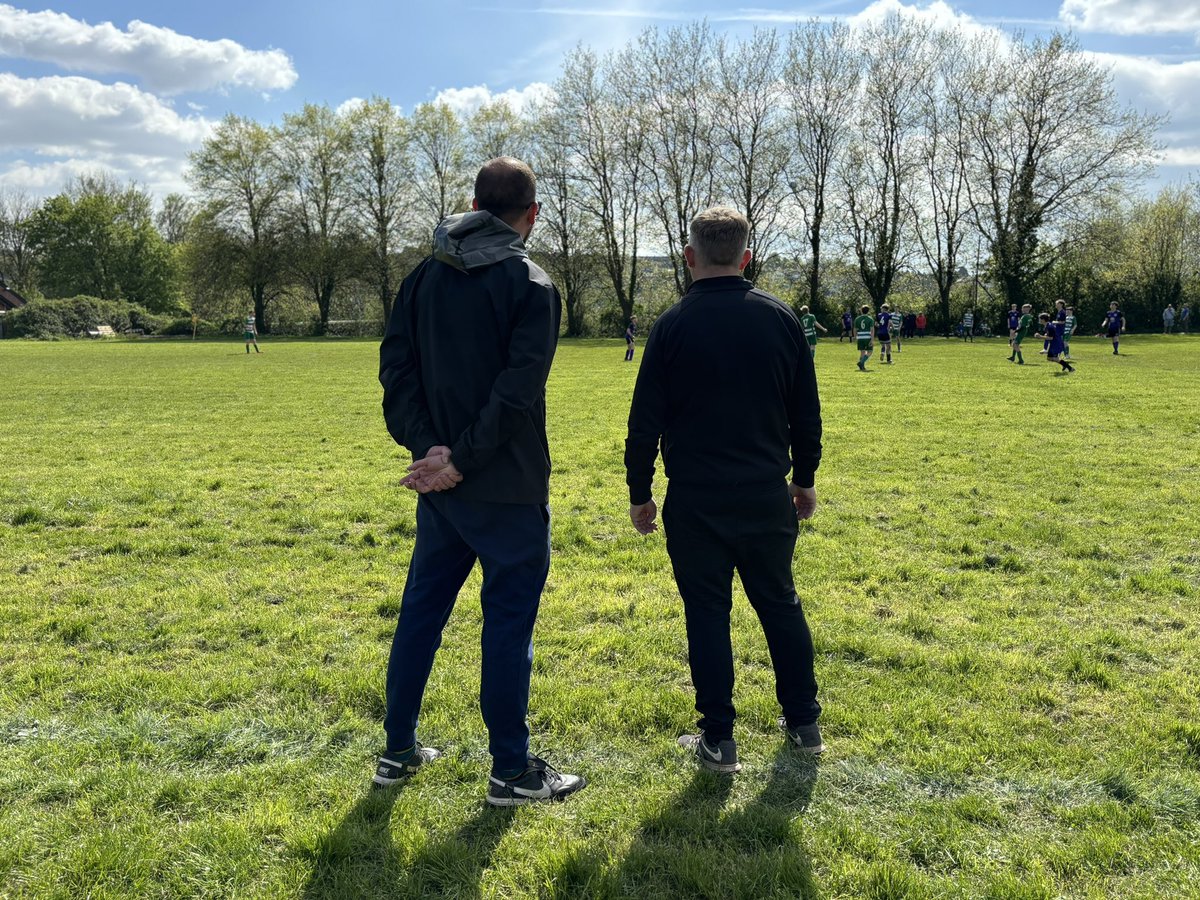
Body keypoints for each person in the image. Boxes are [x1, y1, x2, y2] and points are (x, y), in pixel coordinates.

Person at [376, 157, 585, 805]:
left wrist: (431, 451)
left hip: (443, 491)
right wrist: (457, 458)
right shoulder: (531, 283)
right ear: (533, 214)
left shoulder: (419, 280)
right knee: (506, 628)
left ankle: (398, 752)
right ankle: (511, 771)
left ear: (473, 203)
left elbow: (395, 375)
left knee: (420, 616)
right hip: (507, 489)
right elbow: (517, 393)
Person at [624, 206, 824, 773]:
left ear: (689, 257)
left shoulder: (671, 326)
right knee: (779, 603)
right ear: (747, 256)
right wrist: (803, 479)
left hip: (695, 500)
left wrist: (641, 492)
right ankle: (804, 723)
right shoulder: (782, 320)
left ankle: (719, 738)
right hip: (765, 493)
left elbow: (644, 423)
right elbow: (806, 412)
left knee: (706, 615)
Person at [854, 304, 876, 371]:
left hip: (860, 337)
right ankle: (861, 362)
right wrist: (872, 339)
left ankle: (862, 367)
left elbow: (855, 329)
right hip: (867, 337)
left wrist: (855, 337)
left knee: (862, 352)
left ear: (861, 311)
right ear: (868, 311)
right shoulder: (870, 319)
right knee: (870, 351)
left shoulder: (857, 319)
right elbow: (872, 330)